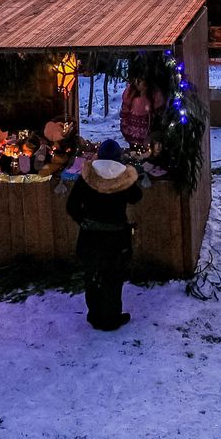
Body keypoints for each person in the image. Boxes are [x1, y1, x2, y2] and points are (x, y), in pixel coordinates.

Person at [66, 141, 142, 331]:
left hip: (90, 236)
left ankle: (95, 315)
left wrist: (83, 220)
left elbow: (71, 206)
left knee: (92, 275)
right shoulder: (123, 178)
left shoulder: (88, 177)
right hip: (116, 238)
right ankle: (111, 317)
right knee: (113, 278)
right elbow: (136, 197)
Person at [119, 75, 163, 148]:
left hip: (147, 139)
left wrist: (151, 135)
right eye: (137, 79)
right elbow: (124, 113)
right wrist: (125, 129)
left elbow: (156, 117)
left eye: (141, 80)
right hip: (131, 136)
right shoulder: (130, 94)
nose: (138, 82)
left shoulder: (154, 96)